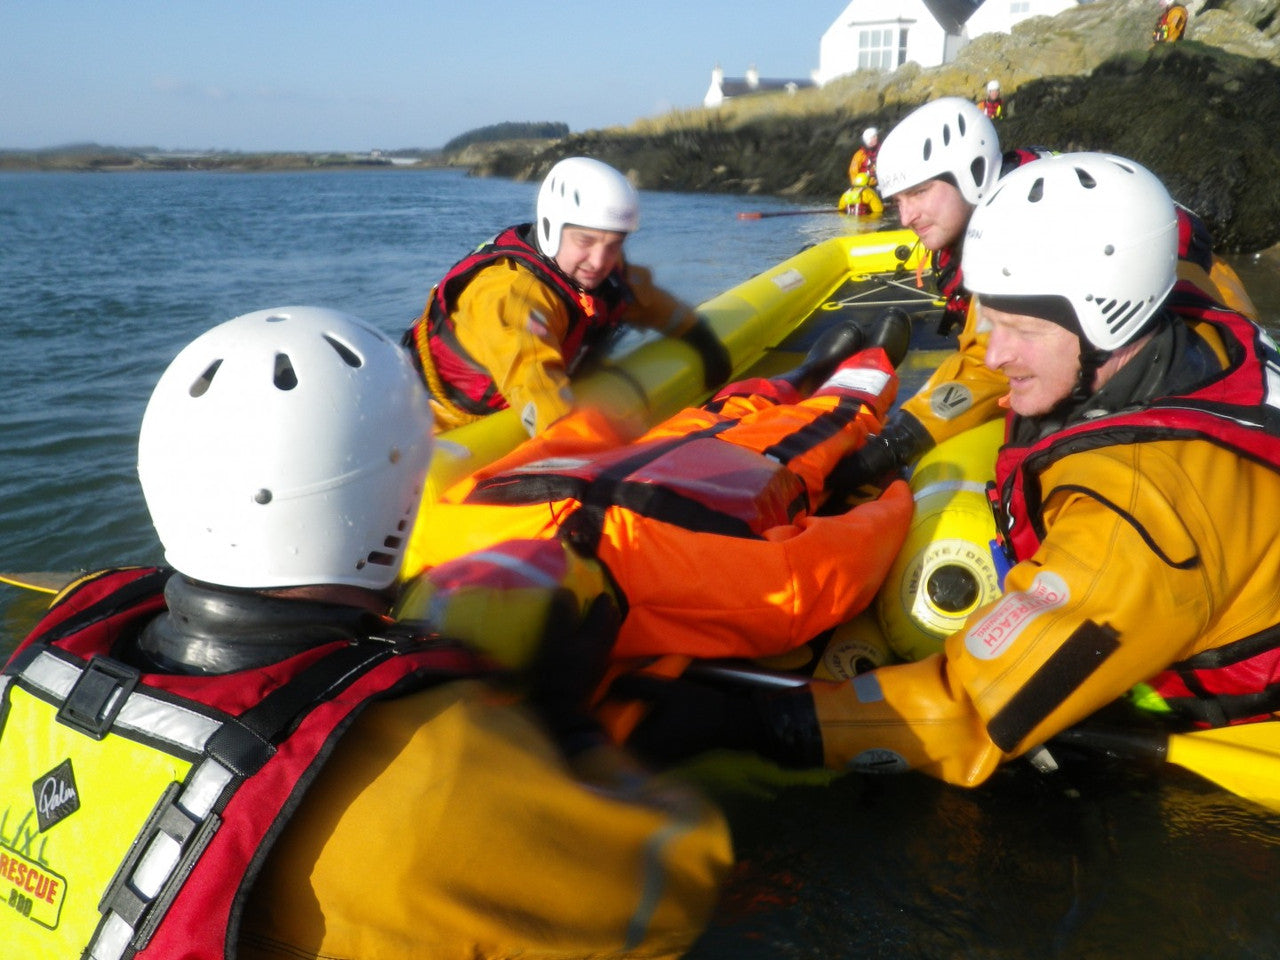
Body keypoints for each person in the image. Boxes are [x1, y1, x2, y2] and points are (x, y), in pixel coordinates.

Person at [0, 307, 731, 960]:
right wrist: (575, 735)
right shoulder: (434, 763)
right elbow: (667, 899)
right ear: (403, 499)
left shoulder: (35, 676)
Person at [617, 152, 1280, 787]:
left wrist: (751, 723)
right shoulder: (1196, 323)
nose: (993, 353)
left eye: (1018, 327)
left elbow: (970, 708)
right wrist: (888, 447)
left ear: (1110, 318)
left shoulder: (1140, 508)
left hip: (1212, 699)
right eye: (988, 319)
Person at [399, 311, 916, 670]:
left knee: (717, 412)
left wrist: (602, 424)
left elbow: (552, 444)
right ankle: (858, 375)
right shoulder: (680, 581)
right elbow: (820, 572)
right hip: (749, 473)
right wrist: (895, 490)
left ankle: (801, 373)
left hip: (652, 459)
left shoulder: (441, 530)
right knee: (830, 419)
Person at [831, 96, 1258, 492]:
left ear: (973, 172)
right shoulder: (1026, 188)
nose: (907, 215)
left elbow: (986, 365)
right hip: (1210, 314)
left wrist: (895, 442)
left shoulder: (1024, 228)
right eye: (898, 201)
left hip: (1198, 344)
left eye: (920, 192)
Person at [403, 156, 731, 437]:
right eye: (585, 241)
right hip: (441, 427)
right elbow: (538, 390)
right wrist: (581, 451)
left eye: (614, 244)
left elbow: (650, 301)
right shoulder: (512, 297)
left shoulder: (596, 271)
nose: (600, 261)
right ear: (551, 227)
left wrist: (699, 337)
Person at [842, 127, 883, 216]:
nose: (876, 138)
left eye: (876, 136)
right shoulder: (859, 155)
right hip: (865, 187)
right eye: (873, 137)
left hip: (882, 185)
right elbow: (853, 172)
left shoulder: (883, 151)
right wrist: (858, 187)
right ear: (867, 140)